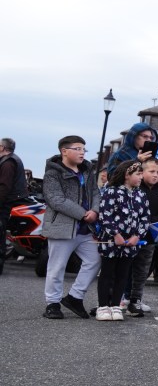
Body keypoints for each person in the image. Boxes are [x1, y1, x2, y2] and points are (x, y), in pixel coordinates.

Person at [40, 136, 102, 320]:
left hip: (86, 229)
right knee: (56, 267)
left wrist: (95, 210)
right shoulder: (53, 173)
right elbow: (56, 200)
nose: (82, 152)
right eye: (77, 148)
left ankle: (75, 297)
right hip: (62, 228)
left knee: (95, 260)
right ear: (64, 151)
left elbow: (95, 192)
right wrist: (83, 213)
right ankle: (52, 303)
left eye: (84, 149)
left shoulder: (87, 171)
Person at [95, 160, 150, 321]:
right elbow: (105, 214)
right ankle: (103, 306)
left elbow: (145, 218)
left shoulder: (141, 194)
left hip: (130, 244)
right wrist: (116, 234)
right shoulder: (111, 191)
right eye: (138, 174)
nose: (141, 177)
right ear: (127, 174)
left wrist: (137, 236)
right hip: (111, 242)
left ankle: (115, 306)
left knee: (123, 275)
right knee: (107, 273)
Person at [126, 157, 158, 316]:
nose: (155, 175)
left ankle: (135, 300)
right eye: (151, 171)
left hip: (150, 237)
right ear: (142, 172)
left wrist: (150, 221)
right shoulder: (134, 189)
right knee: (124, 268)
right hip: (131, 237)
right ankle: (117, 298)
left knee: (142, 270)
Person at [0, 137, 28, 276]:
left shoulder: (8, 163)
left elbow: (4, 187)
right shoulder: (11, 160)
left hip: (5, 204)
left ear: (2, 148)